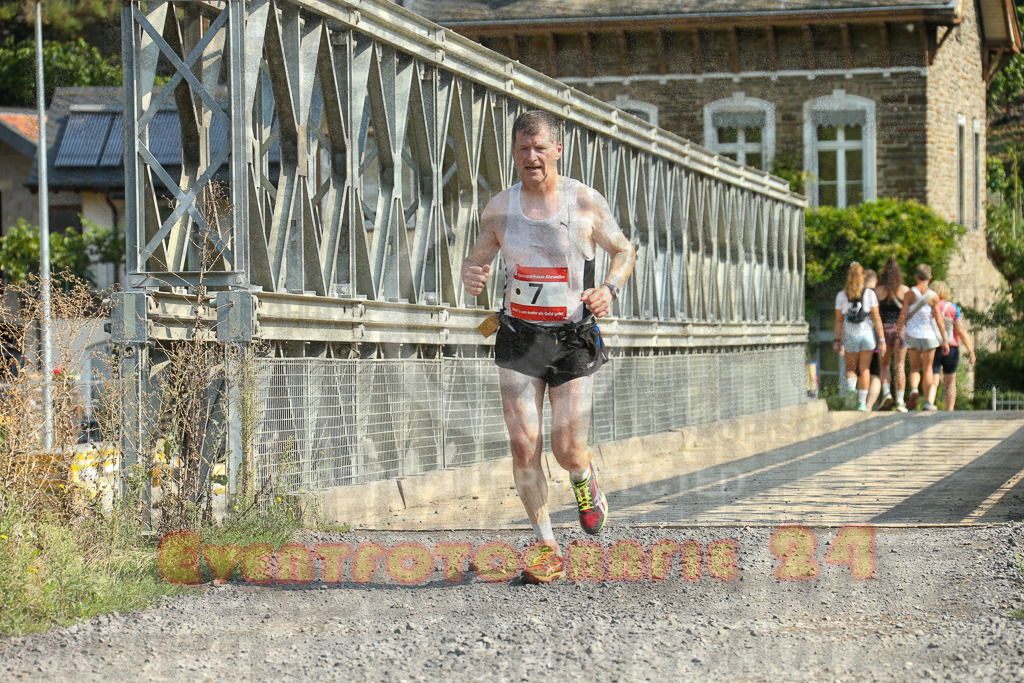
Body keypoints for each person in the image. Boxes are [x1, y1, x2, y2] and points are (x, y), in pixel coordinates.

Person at [461, 110, 636, 584]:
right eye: (522, 149)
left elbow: (624, 249)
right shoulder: (500, 206)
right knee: (523, 445)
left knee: (567, 448)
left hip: (570, 336)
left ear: (557, 150)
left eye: (540, 148)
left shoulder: (583, 202)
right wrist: (471, 274)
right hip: (520, 334)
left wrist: (611, 288)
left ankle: (585, 481)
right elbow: (478, 258)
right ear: (513, 154)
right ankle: (546, 547)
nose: (531, 157)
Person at [894, 264, 949, 412]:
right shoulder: (934, 296)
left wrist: (899, 333)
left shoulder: (909, 294)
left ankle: (913, 389)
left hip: (912, 334)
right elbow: (938, 319)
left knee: (914, 368)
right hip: (929, 336)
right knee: (928, 369)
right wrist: (944, 339)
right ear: (930, 278)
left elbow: (903, 316)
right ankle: (927, 402)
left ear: (916, 276)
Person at [834, 262, 886, 412]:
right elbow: (876, 317)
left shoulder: (841, 295)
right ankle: (862, 404)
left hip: (850, 334)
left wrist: (838, 340)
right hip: (867, 335)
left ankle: (851, 388)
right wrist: (881, 340)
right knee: (865, 370)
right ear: (862, 276)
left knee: (850, 368)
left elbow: (839, 321)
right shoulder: (869, 294)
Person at [925, 280, 976, 411]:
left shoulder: (927, 307)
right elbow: (961, 331)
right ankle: (949, 410)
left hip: (933, 346)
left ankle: (929, 401)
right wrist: (971, 350)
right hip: (952, 347)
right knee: (950, 381)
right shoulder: (953, 308)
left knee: (934, 374)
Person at [874, 257, 911, 411]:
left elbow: (875, 315)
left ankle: (886, 393)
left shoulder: (878, 291)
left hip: (883, 330)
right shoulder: (905, 290)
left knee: (884, 364)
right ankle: (901, 401)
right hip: (900, 330)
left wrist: (880, 335)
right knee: (900, 365)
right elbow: (907, 314)